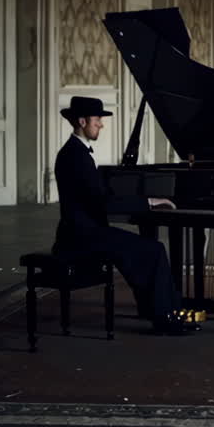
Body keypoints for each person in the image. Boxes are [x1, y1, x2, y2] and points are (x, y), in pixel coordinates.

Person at [53, 95, 197, 335]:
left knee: (146, 249)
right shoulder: (75, 156)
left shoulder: (75, 153)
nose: (101, 124)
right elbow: (101, 200)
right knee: (153, 250)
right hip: (81, 237)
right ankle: (165, 317)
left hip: (86, 231)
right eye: (97, 119)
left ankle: (163, 310)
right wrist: (148, 201)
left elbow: (97, 196)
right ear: (82, 121)